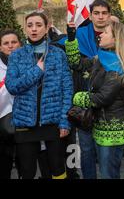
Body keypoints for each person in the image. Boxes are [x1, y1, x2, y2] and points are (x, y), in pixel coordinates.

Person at [70, 21, 124, 179]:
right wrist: (71, 38)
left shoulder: (118, 66)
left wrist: (78, 97)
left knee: (108, 173)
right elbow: (77, 64)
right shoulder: (103, 57)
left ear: (116, 39)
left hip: (113, 130)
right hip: (102, 125)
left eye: (105, 32)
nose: (100, 35)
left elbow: (102, 98)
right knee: (108, 171)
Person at [5, 11, 73, 179]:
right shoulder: (16, 55)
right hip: (25, 123)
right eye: (30, 25)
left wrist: (64, 120)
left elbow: (67, 89)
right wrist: (36, 71)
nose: (34, 29)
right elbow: (12, 86)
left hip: (53, 122)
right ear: (25, 29)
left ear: (46, 27)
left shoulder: (58, 54)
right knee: (27, 170)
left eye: (38, 25)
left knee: (57, 168)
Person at [65, 0, 111, 179]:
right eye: (96, 13)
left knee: (106, 153)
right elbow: (74, 63)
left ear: (109, 15)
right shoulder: (80, 34)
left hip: (110, 104)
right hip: (84, 102)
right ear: (90, 16)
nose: (100, 17)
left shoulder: (117, 35)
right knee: (86, 149)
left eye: (104, 13)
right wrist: (70, 37)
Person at [0, 30, 21, 179]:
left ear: (19, 44)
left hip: (25, 123)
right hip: (2, 126)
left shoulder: (31, 64)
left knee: (26, 166)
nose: (10, 46)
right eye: (6, 43)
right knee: (3, 166)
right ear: (0, 47)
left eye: (14, 42)